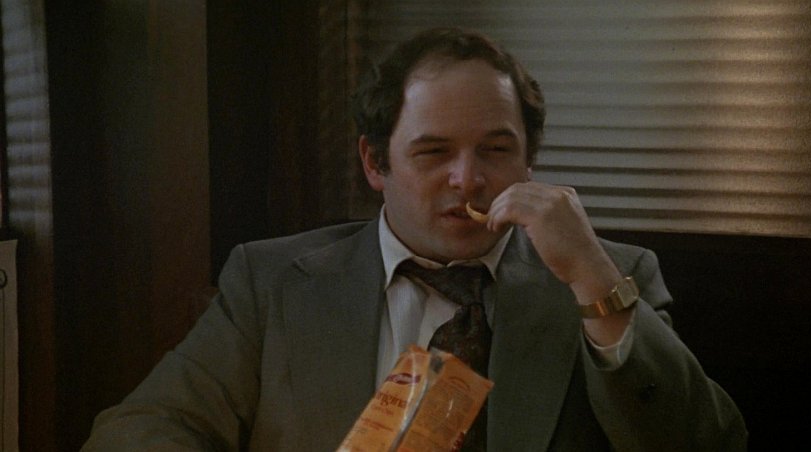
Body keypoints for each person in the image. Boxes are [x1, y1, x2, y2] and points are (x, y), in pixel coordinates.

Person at [83, 27, 747, 451]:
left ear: (529, 160)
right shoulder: (273, 281)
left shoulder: (608, 279)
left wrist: (592, 280)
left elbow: (708, 443)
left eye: (496, 150)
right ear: (375, 163)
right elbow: (136, 432)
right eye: (433, 153)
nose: (468, 179)